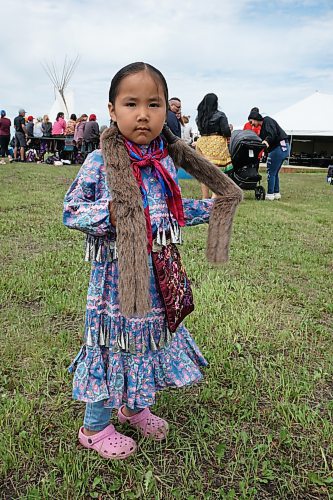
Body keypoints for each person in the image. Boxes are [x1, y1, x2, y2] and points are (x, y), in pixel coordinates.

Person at [63, 61, 242, 460]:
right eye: (131, 103)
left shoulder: (164, 163)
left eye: (154, 104)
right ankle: (95, 427)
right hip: (114, 284)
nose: (143, 114)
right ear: (112, 109)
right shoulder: (99, 163)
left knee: (145, 343)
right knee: (113, 343)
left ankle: (135, 407)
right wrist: (113, 212)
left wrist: (211, 209)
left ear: (168, 111)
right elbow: (71, 210)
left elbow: (170, 216)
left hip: (156, 280)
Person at [195, 93, 231, 199]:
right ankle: (214, 198)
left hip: (202, 143)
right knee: (217, 173)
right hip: (216, 143)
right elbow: (225, 131)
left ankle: (205, 198)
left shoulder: (199, 116)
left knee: (204, 172)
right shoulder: (220, 115)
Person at [248, 111, 290, 200]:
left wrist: (266, 141)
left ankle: (270, 194)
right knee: (275, 172)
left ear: (255, 119)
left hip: (278, 148)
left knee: (270, 172)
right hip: (283, 147)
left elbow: (272, 134)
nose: (252, 125)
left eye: (251, 122)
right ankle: (276, 193)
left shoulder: (267, 120)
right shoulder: (263, 127)